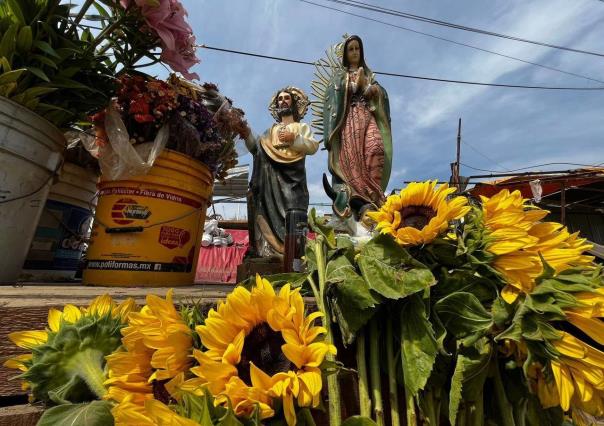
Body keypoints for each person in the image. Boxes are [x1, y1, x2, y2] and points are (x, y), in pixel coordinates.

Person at [323, 35, 392, 222]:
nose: (354, 52)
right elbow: (331, 96)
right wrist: (352, 86)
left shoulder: (370, 76)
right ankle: (358, 198)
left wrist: (370, 89)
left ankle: (374, 195)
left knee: (376, 148)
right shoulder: (339, 77)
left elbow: (381, 96)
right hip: (348, 123)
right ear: (346, 54)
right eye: (351, 49)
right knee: (351, 162)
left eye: (357, 49)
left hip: (367, 116)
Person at [245, 87, 319, 258]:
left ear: (293, 103)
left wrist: (294, 139)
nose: (283, 101)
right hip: (270, 180)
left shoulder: (301, 127)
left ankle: (293, 256)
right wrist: (245, 132)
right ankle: (270, 253)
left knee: (293, 215)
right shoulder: (270, 131)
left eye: (287, 98)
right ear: (276, 105)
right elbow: (257, 149)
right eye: (280, 99)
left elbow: (313, 147)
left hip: (293, 180)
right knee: (265, 212)